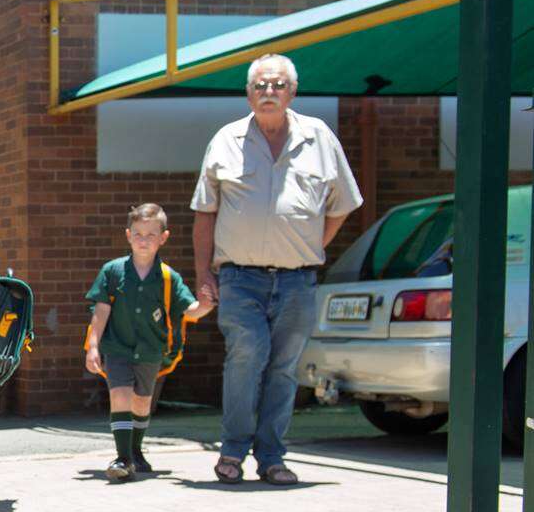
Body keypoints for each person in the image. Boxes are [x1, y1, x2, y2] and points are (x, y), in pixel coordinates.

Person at [192, 54, 362, 486]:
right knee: (247, 356)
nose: (269, 92)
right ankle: (232, 452)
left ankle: (271, 456)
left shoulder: (319, 137)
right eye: (261, 86)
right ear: (248, 93)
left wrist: (309, 244)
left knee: (284, 367)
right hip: (239, 276)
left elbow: (342, 205)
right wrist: (203, 274)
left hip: (297, 278)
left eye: (278, 85)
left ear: (293, 92)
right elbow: (205, 213)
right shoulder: (226, 139)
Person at [85, 203, 212, 483]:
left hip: (151, 349)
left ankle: (135, 450)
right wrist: (93, 346)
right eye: (138, 234)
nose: (144, 240)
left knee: (142, 402)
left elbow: (189, 311)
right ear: (128, 235)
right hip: (117, 347)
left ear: (163, 237)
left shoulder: (168, 277)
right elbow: (101, 310)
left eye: (151, 234)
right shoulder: (113, 271)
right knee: (120, 395)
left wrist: (205, 305)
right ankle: (122, 457)